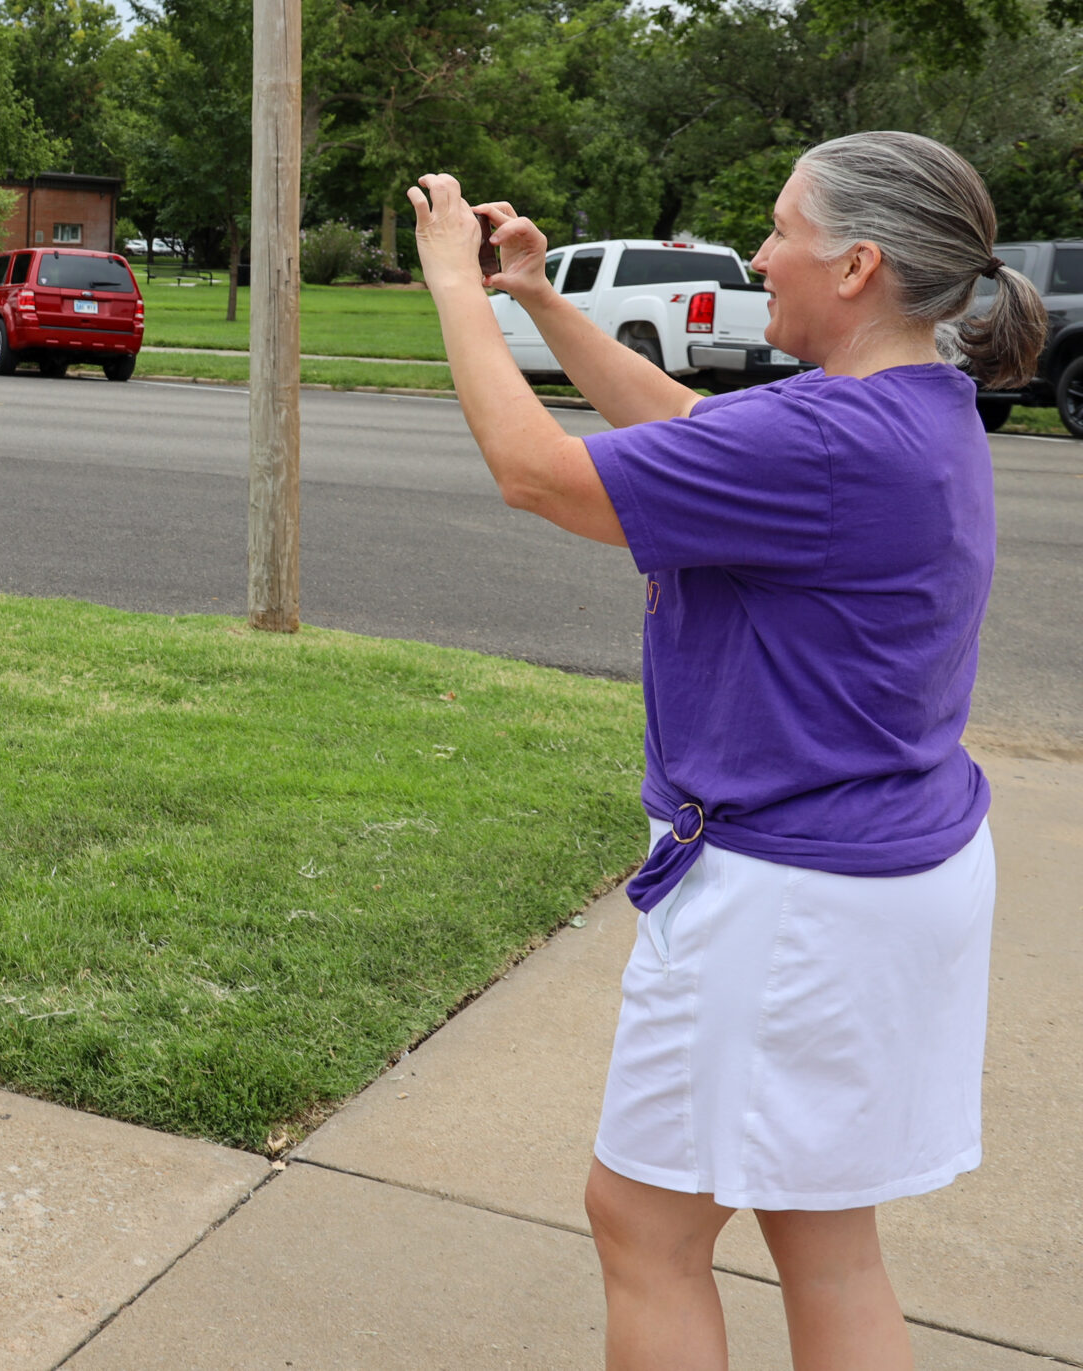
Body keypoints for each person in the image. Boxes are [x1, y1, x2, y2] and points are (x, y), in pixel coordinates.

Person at [405, 133, 1046, 1371]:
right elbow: (689, 426)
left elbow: (536, 476)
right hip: (885, 877)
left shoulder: (827, 444)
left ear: (856, 265)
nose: (757, 255)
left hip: (790, 903)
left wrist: (444, 278)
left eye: (779, 230)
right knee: (824, 1235)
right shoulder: (902, 406)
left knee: (641, 1223)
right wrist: (537, 300)